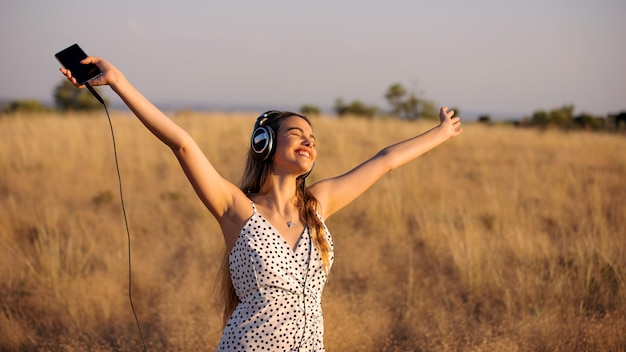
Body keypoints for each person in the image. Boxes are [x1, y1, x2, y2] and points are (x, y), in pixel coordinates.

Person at [60, 56, 462, 351]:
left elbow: (385, 161)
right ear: (264, 145)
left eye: (313, 139)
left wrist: (441, 133)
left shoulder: (318, 205)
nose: (309, 141)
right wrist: (118, 82)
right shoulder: (237, 208)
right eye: (297, 134)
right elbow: (182, 143)